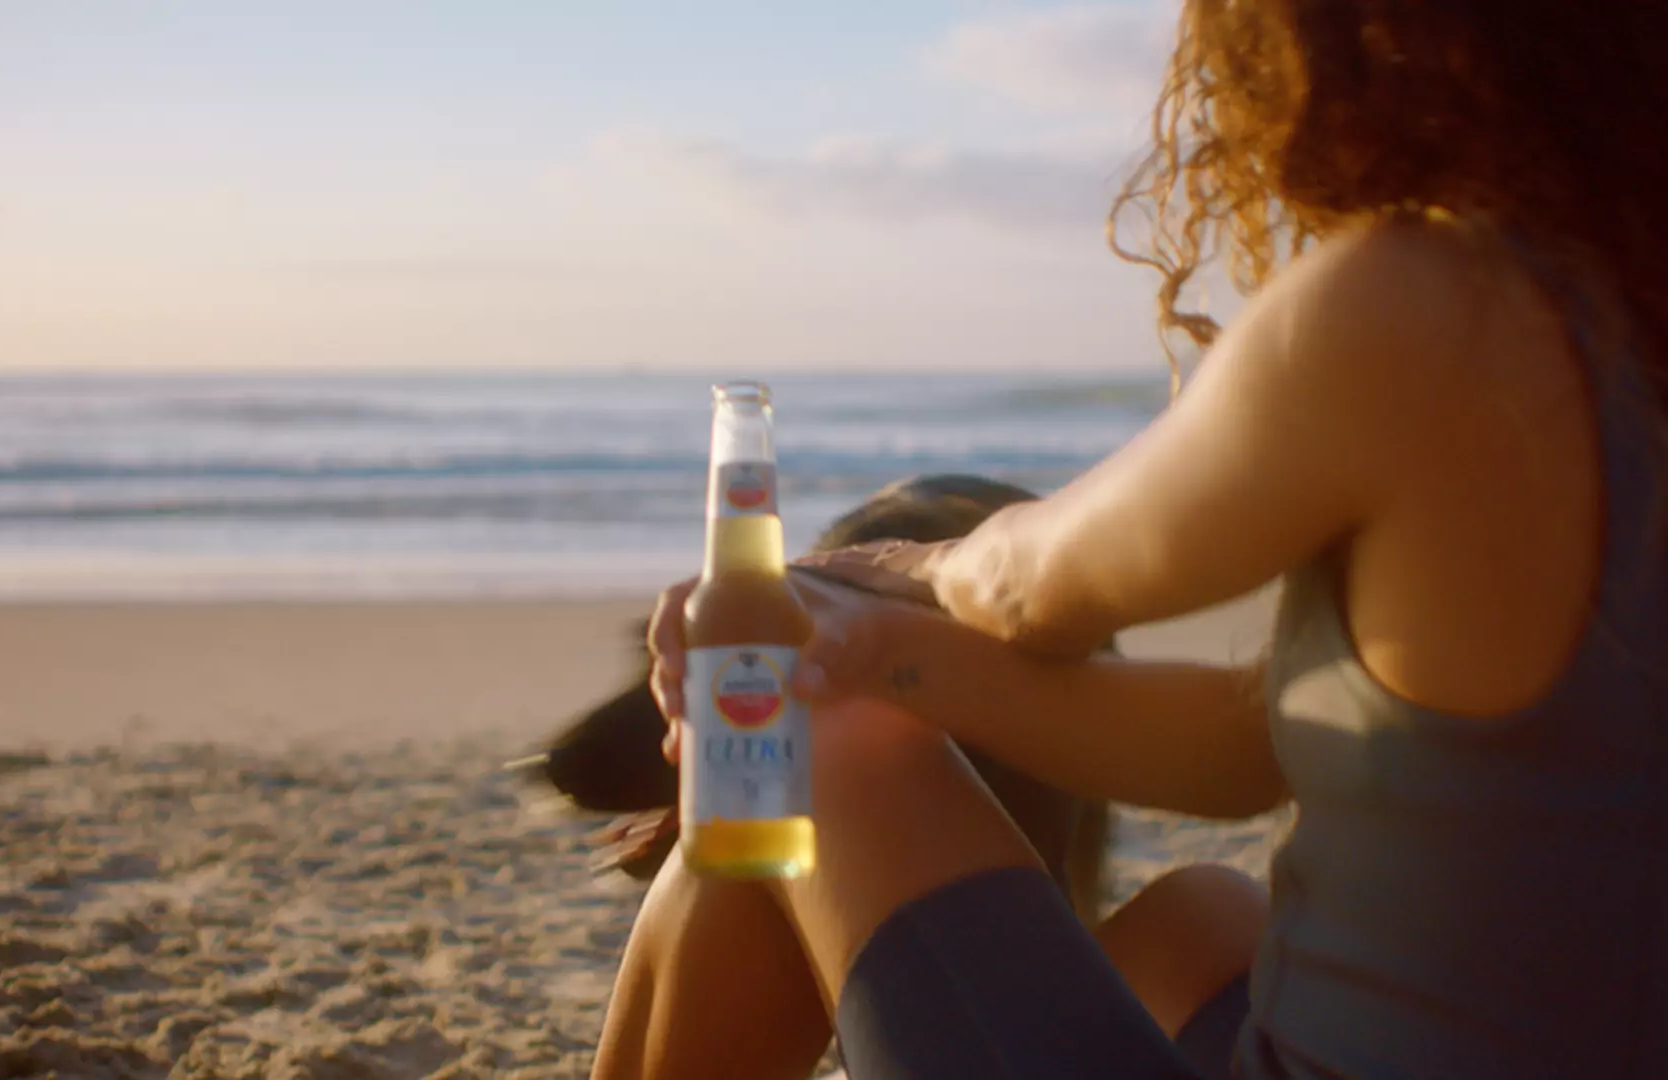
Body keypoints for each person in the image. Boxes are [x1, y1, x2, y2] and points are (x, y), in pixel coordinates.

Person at [590, 1, 1668, 1077]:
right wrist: (892, 653)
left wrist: (888, 591)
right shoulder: (1627, 322)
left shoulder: (1427, 308)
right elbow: (1256, 750)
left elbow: (1029, 587)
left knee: (801, 728)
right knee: (1195, 920)